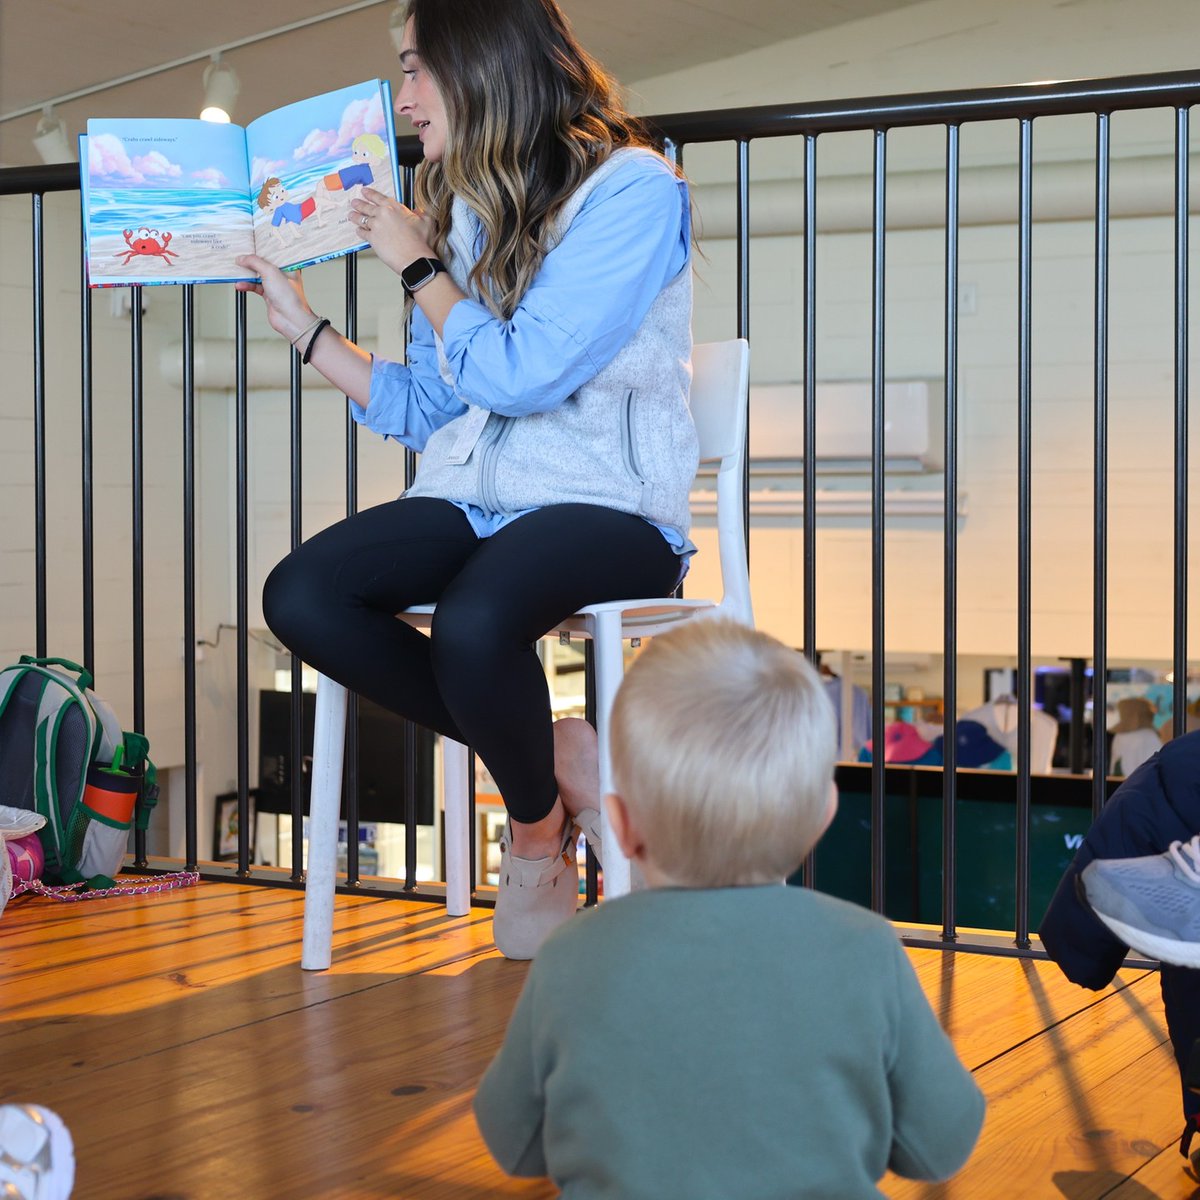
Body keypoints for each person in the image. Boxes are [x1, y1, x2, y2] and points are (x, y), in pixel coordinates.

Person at [234, 0, 697, 960]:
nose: (401, 99)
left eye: (412, 69)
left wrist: (419, 268)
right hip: (472, 496)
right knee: (304, 596)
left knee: (479, 623)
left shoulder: (633, 191)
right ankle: (557, 769)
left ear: (480, 62)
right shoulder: (468, 205)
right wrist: (307, 331)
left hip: (605, 507)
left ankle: (532, 837)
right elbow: (440, 408)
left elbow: (526, 372)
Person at [473, 620, 985, 1197]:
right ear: (823, 814)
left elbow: (513, 1141)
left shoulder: (572, 953)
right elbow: (941, 1142)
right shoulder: (866, 948)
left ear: (621, 825)